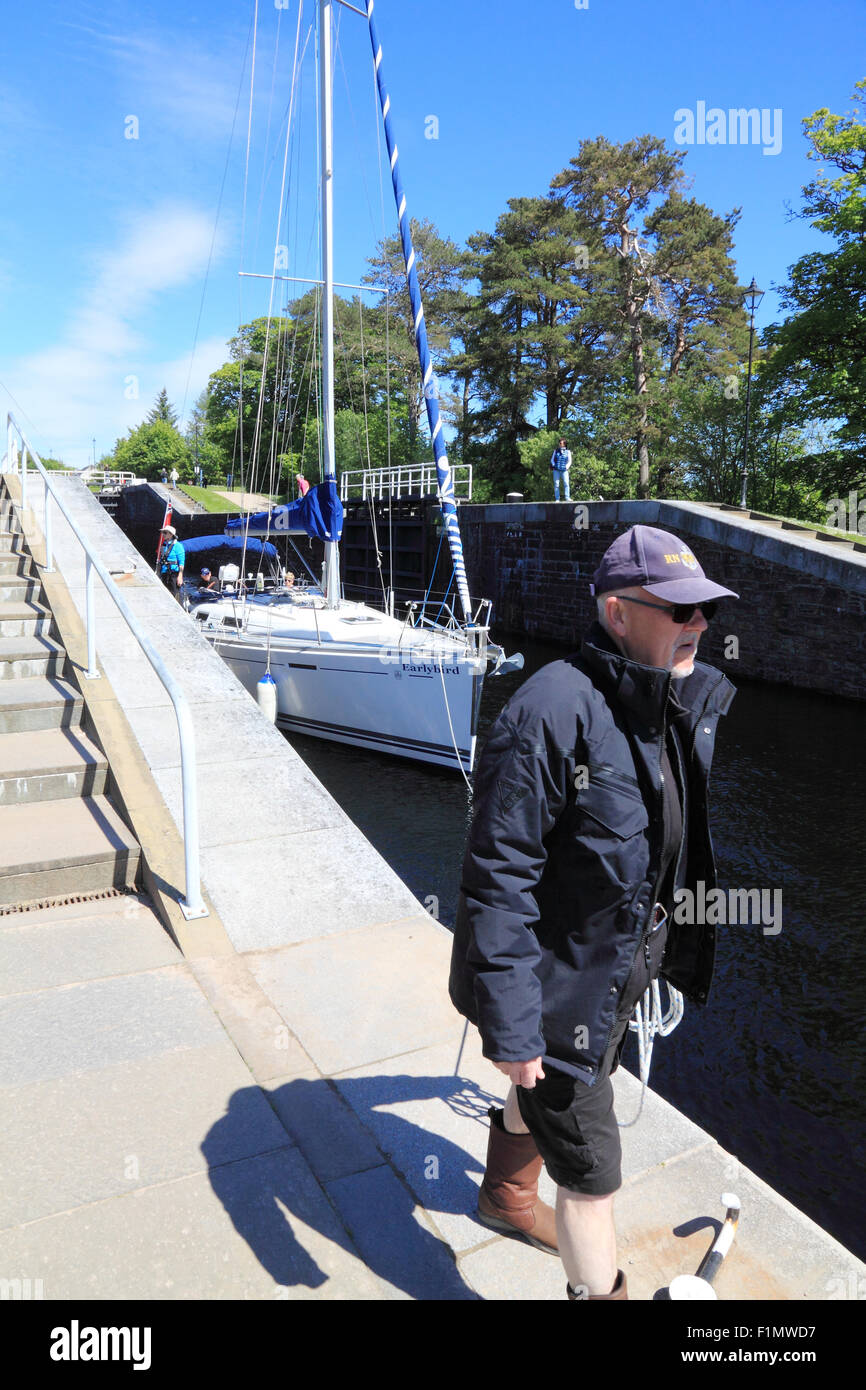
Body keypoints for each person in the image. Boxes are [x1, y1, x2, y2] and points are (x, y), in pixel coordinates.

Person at [449, 524, 739, 1301]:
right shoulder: (548, 713)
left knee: (542, 1094)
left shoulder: (666, 706)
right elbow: (497, 876)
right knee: (593, 1174)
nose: (700, 625)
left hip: (608, 979)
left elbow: (665, 856)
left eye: (705, 609)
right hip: (550, 996)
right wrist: (512, 1026)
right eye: (680, 611)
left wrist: (667, 956)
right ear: (617, 613)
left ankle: (504, 1196)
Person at [158, 525, 185, 600]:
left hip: (173, 574)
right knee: (164, 594)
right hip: (164, 573)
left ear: (171, 534)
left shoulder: (178, 546)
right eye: (162, 532)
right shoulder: (164, 545)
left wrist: (180, 576)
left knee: (174, 594)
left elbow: (181, 562)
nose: (163, 534)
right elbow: (162, 559)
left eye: (165, 532)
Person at [550, 437, 572, 502]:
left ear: (564, 444)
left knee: (566, 483)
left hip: (564, 470)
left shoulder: (568, 452)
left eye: (561, 443)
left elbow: (570, 461)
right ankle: (557, 499)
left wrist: (566, 467)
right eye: (559, 443)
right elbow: (552, 460)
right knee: (556, 484)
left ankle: (567, 497)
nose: (559, 444)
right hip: (556, 470)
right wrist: (554, 465)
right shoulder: (555, 451)